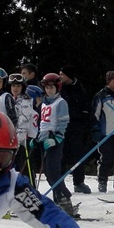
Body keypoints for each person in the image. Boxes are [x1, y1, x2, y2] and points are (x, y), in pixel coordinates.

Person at [36, 72, 77, 216]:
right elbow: (42, 122)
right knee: (48, 173)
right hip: (44, 139)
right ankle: (57, 199)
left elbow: (63, 121)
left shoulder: (61, 102)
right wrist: (37, 138)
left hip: (54, 139)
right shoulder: (44, 103)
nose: (49, 90)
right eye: (47, 88)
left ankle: (65, 200)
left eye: (51, 87)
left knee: (54, 172)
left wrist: (57, 138)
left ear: (57, 87)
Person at [59, 66, 92, 194]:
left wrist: (82, 120)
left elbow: (85, 106)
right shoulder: (60, 88)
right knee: (60, 155)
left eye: (62, 74)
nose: (60, 76)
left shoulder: (79, 88)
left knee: (77, 154)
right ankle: (60, 182)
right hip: (62, 126)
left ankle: (78, 182)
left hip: (75, 126)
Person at [92, 71, 114, 193]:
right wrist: (95, 129)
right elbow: (95, 114)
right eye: (113, 79)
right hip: (106, 132)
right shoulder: (101, 95)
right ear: (108, 81)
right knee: (106, 158)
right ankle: (102, 181)